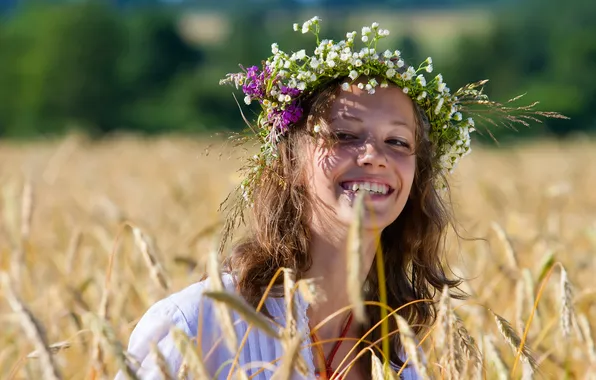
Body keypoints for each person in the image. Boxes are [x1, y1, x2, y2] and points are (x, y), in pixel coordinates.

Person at [119, 17, 563, 380]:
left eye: (398, 143)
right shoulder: (198, 325)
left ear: (416, 177)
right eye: (345, 136)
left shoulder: (404, 357)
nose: (373, 157)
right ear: (290, 163)